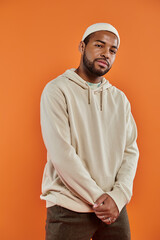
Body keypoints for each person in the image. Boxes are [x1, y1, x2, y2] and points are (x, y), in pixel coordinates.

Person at [40, 23, 139, 240]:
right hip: (68, 207)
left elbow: (130, 152)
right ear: (82, 46)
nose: (106, 54)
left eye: (113, 50)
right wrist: (99, 198)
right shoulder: (57, 90)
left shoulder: (120, 100)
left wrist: (119, 196)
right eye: (99, 45)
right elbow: (61, 153)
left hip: (114, 209)